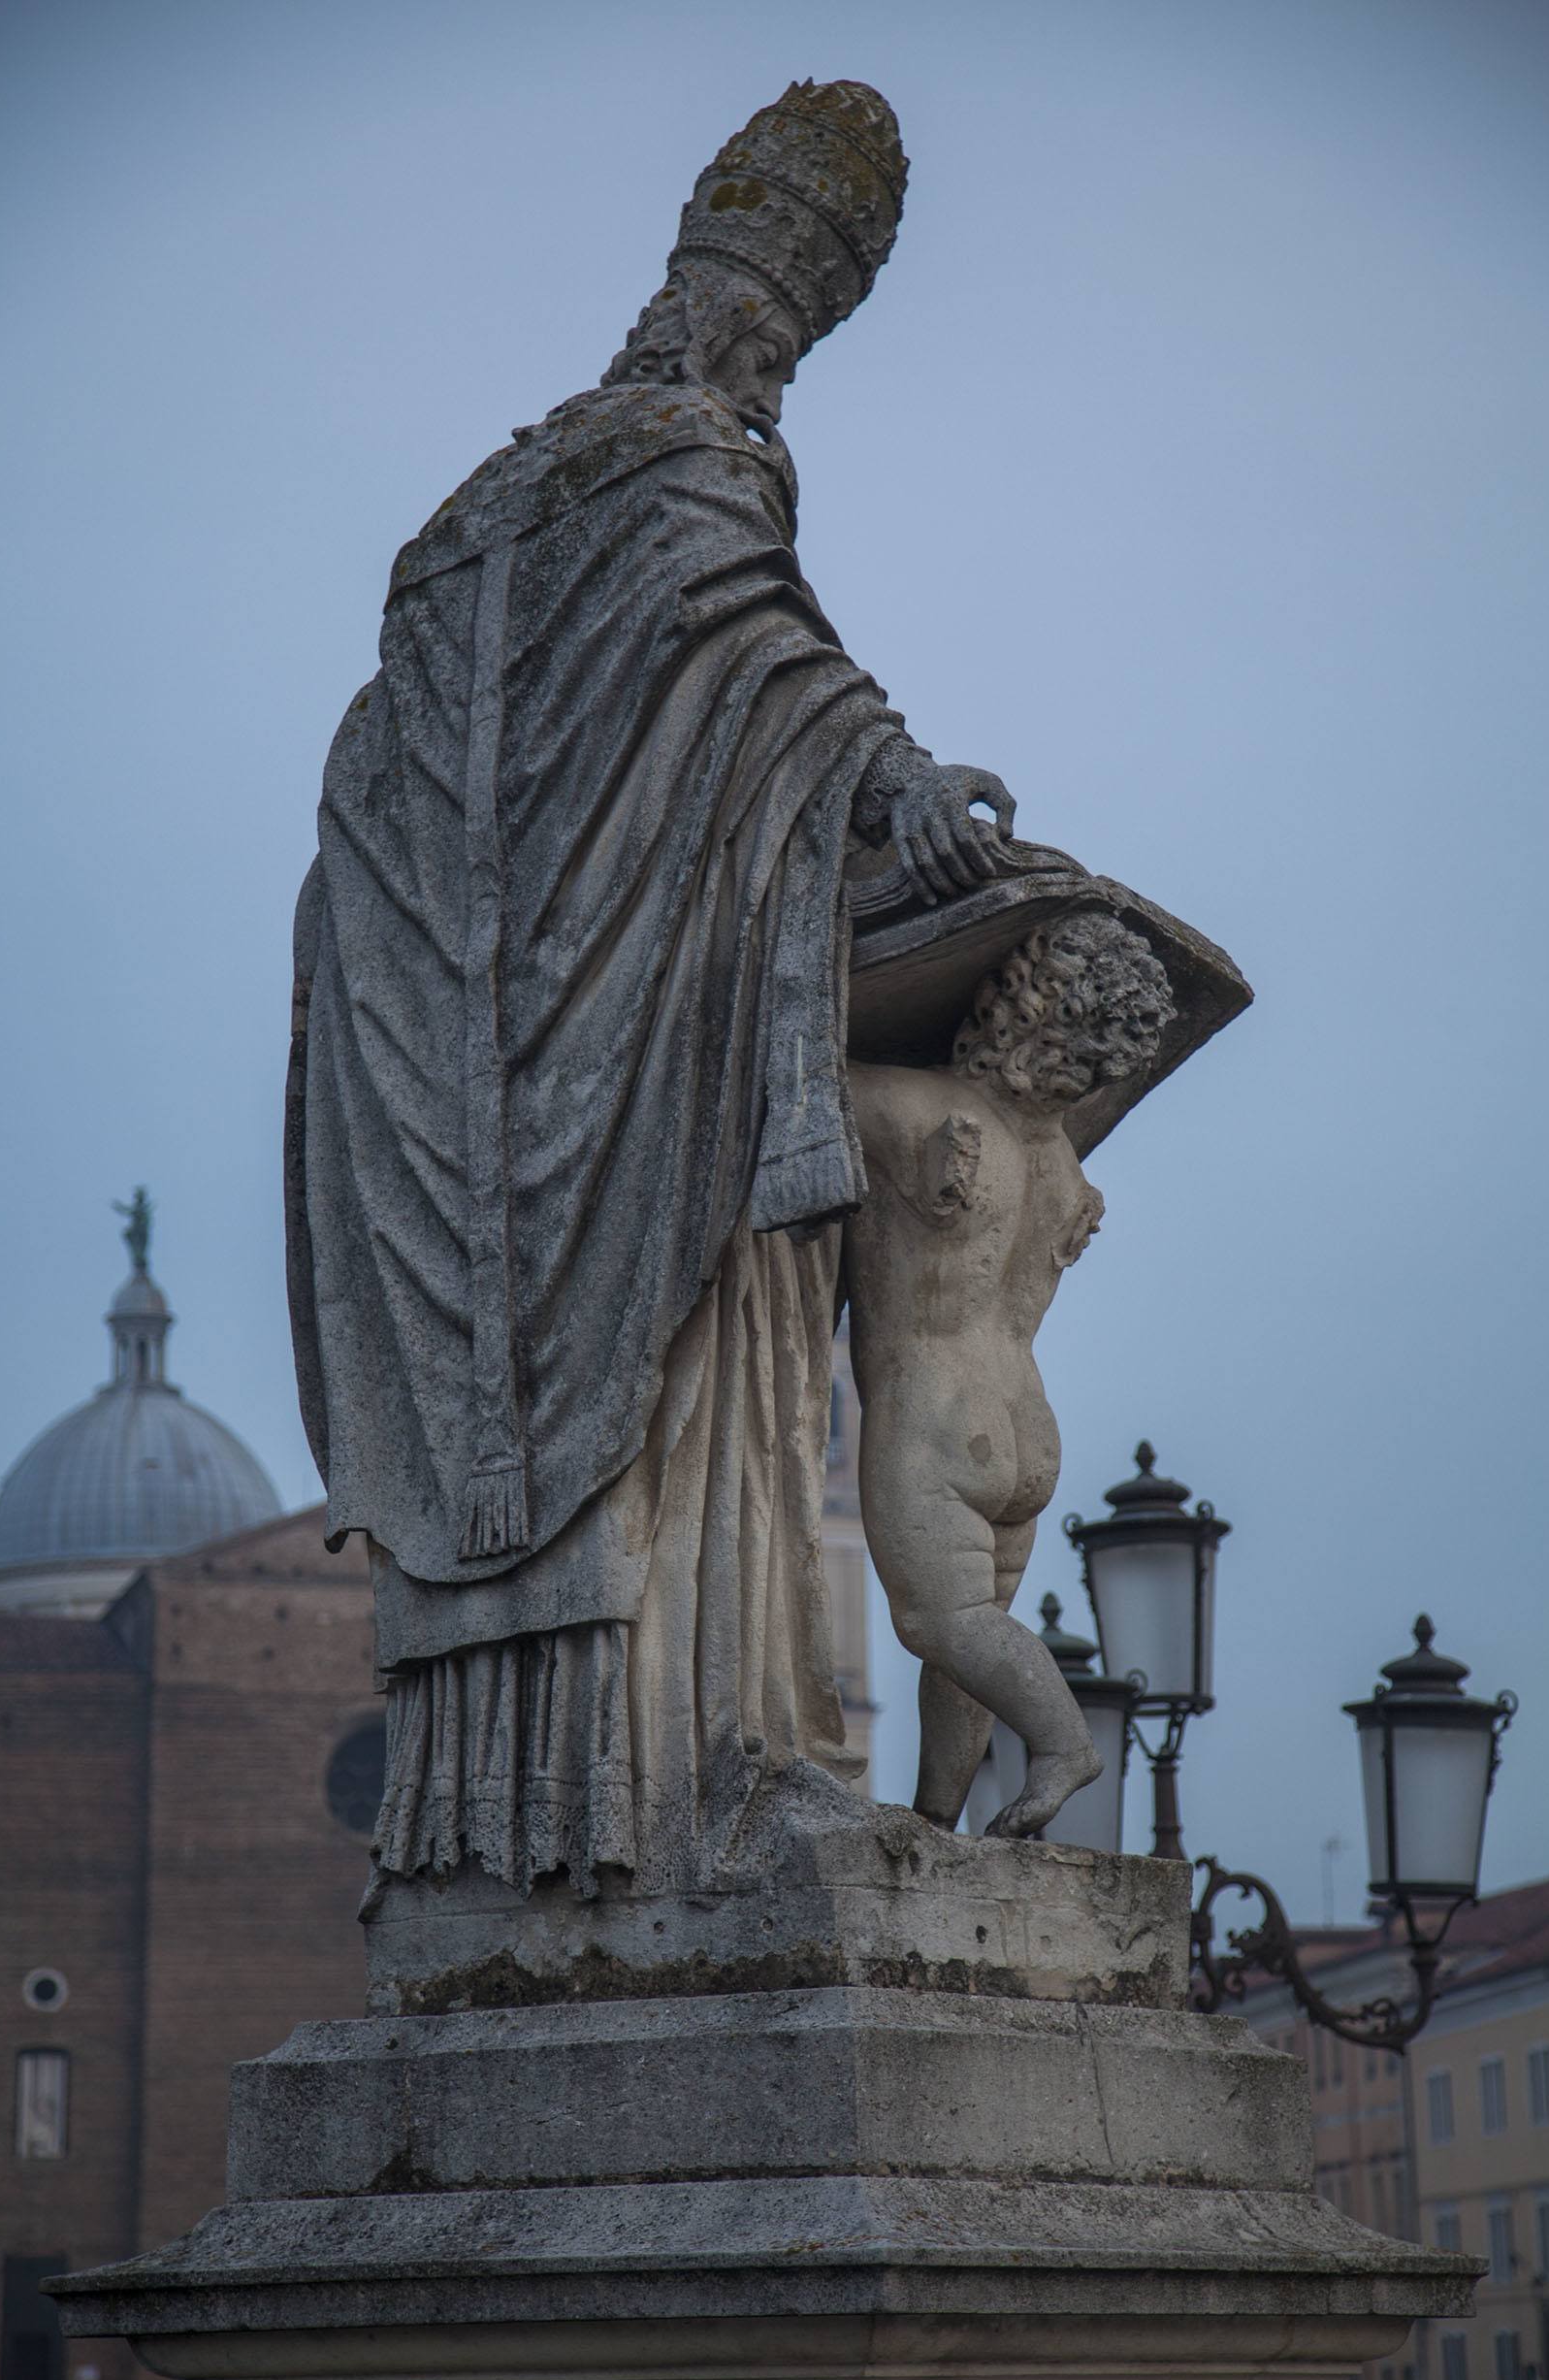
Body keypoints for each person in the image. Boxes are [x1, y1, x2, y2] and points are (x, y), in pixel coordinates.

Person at [285, 81, 1017, 1897]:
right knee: (701, 1400)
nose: (764, 372)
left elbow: (427, 762)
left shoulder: (484, 515)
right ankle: (696, 1782)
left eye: (785, 344)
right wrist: (900, 787)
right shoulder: (688, 464)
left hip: (494, 1063)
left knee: (627, 1414)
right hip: (653, 1072)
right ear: (706, 302)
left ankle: (534, 1819)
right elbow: (761, 658)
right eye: (765, 331)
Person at [843, 912, 1176, 1836]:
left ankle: (1062, 1744)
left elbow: (775, 1065)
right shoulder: (1062, 1170)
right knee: (971, 1634)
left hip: (938, 1413)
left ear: (1012, 1004)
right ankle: (935, 1822)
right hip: (1028, 1425)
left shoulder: (911, 1110)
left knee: (938, 1625)